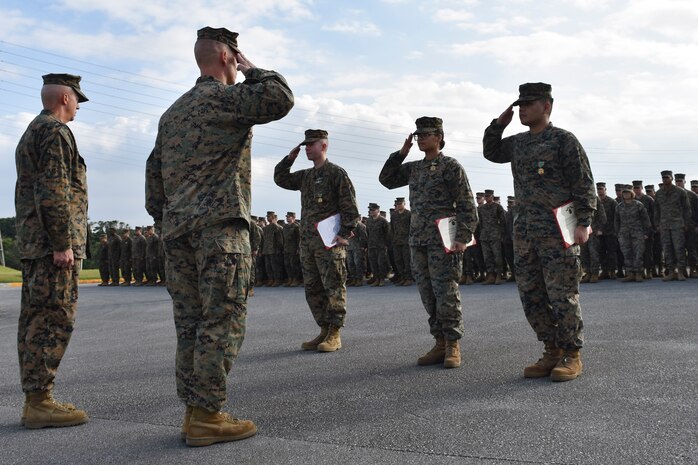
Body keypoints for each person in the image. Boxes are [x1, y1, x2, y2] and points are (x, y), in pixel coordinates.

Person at [145, 26, 294, 446]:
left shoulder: (172, 113)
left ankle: (194, 411)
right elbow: (280, 98)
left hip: (177, 235)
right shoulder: (225, 100)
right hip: (220, 233)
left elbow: (152, 180)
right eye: (235, 57)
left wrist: (170, 221)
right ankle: (208, 416)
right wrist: (253, 68)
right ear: (229, 57)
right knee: (222, 321)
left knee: (190, 324)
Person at [483, 83, 596, 382]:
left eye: (528, 104)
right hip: (525, 234)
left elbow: (583, 183)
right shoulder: (518, 143)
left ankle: (572, 353)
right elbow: (491, 152)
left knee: (562, 295)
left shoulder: (563, 140)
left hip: (558, 232)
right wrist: (498, 124)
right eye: (519, 104)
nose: (522, 109)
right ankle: (552, 349)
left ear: (546, 106)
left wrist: (583, 222)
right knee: (531, 295)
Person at [14, 73, 90, 428]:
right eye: (77, 100)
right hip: (51, 247)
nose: (77, 108)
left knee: (35, 320)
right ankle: (40, 402)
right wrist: (63, 244)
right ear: (64, 97)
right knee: (53, 320)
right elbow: (54, 191)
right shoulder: (55, 132)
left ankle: (36, 399)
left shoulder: (34, 130)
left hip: (35, 244)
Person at [380, 116, 478, 369]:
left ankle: (453, 344)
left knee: (446, 291)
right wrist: (401, 153)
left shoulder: (450, 166)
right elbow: (387, 179)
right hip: (419, 239)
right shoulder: (414, 168)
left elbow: (467, 204)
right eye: (417, 135)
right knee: (427, 293)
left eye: (425, 134)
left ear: (439, 137)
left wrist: (462, 238)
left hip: (443, 240)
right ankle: (440, 342)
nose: (420, 138)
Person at [274, 129, 360, 352]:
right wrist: (289, 159)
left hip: (329, 243)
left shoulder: (336, 173)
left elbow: (350, 208)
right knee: (313, 288)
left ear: (324, 146)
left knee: (333, 286)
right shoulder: (306, 176)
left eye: (311, 144)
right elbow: (281, 179)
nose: (307, 149)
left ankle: (335, 332)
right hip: (309, 244)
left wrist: (345, 232)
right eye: (305, 145)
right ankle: (323, 328)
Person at [654, 170, 691, 281]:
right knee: (667, 249)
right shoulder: (659, 193)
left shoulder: (680, 192)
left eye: (667, 177)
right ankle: (671, 271)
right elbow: (657, 210)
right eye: (663, 178)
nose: (665, 180)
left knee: (679, 248)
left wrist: (686, 223)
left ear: (671, 178)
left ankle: (680, 271)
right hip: (664, 225)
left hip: (677, 224)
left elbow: (687, 209)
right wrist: (657, 224)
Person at [614, 185, 652, 282]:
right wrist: (618, 233)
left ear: (632, 194)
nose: (626, 194)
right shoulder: (619, 206)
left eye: (628, 192)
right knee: (627, 254)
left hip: (638, 233)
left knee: (638, 253)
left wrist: (646, 232)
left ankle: (638, 273)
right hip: (624, 234)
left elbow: (645, 219)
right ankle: (630, 273)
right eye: (624, 193)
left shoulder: (638, 205)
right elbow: (616, 221)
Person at [478, 189, 506, 285]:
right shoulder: (481, 209)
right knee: (487, 256)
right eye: (485, 196)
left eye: (488, 196)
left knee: (497, 255)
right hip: (484, 235)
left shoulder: (498, 207)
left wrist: (501, 234)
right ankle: (490, 275)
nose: (486, 198)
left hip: (495, 235)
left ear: (492, 196)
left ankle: (499, 274)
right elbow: (480, 222)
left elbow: (503, 222)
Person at [366, 203, 391, 286]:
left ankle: (382, 279)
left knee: (381, 263)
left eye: (373, 210)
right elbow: (367, 233)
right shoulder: (368, 221)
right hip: (371, 246)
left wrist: (386, 245)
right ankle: (376, 279)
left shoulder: (383, 221)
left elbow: (387, 234)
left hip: (381, 246)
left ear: (378, 210)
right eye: (370, 210)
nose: (371, 212)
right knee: (373, 263)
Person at [391, 197, 413, 286]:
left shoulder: (409, 214)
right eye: (397, 204)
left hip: (406, 241)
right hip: (396, 241)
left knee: (407, 260)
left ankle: (409, 278)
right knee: (398, 260)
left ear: (404, 204)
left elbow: (412, 227)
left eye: (400, 204)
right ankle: (402, 277)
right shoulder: (394, 215)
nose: (399, 205)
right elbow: (392, 228)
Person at [282, 212, 302, 287]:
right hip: (286, 248)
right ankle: (290, 279)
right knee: (287, 265)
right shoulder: (285, 227)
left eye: (289, 217)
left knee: (294, 265)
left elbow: (299, 239)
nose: (287, 218)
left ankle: (296, 279)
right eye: (286, 217)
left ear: (293, 217)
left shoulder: (296, 227)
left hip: (294, 249)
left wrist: (298, 248)